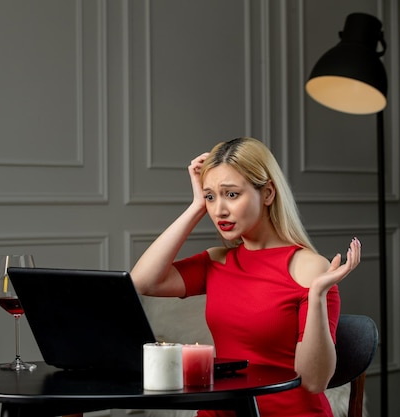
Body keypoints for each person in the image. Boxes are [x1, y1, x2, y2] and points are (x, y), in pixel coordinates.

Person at [131, 137, 361, 417]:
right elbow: (143, 282)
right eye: (210, 196)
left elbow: (314, 381)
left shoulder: (310, 268)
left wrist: (317, 295)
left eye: (231, 194)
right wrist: (195, 206)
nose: (218, 211)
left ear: (267, 194)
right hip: (220, 412)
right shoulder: (217, 261)